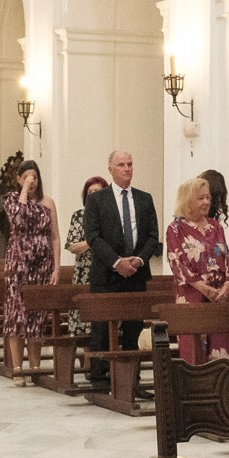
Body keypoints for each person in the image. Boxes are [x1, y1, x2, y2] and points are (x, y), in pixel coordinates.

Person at [84, 150, 160, 386]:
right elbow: (93, 236)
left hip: (136, 274)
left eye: (130, 164)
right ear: (110, 169)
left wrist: (139, 260)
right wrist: (117, 262)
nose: (127, 168)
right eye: (121, 165)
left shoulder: (144, 198)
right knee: (102, 330)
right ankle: (100, 380)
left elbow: (152, 235)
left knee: (133, 330)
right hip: (106, 275)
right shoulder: (97, 200)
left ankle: (130, 382)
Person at [165, 176, 229, 365]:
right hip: (191, 295)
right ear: (187, 200)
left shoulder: (215, 226)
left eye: (207, 197)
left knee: (221, 352)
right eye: (200, 198)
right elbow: (177, 263)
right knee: (194, 352)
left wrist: (227, 284)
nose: (206, 202)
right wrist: (204, 288)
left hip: (219, 297)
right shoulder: (175, 229)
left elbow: (226, 258)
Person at [1, 161, 58, 381]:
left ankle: (35, 367)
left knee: (37, 315)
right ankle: (17, 368)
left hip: (42, 265)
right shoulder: (11, 199)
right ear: (18, 179)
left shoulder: (48, 202)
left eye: (34, 176)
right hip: (18, 265)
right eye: (26, 176)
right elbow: (17, 219)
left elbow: (55, 236)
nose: (31, 180)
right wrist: (23, 191)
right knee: (16, 314)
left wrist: (56, 267)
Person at [62, 177, 107, 338]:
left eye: (97, 191)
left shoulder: (112, 215)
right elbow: (72, 246)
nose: (93, 195)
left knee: (105, 322)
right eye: (90, 192)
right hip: (84, 274)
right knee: (86, 326)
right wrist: (93, 240)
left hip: (107, 273)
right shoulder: (79, 216)